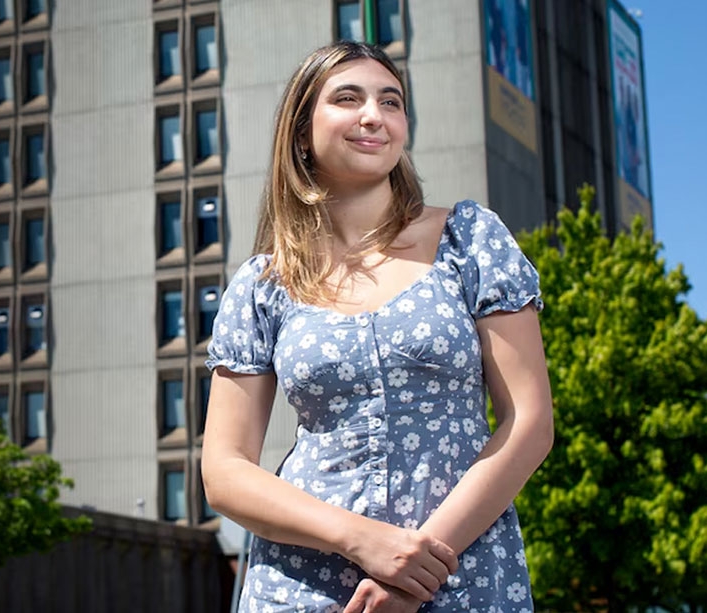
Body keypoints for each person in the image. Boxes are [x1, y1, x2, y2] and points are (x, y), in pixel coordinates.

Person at [201, 41, 554, 613]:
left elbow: (529, 423)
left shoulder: (469, 240)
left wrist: (409, 575)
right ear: (301, 131)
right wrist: (362, 539)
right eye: (348, 98)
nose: (375, 115)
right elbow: (224, 471)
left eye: (391, 102)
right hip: (301, 585)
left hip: (460, 574)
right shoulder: (264, 284)